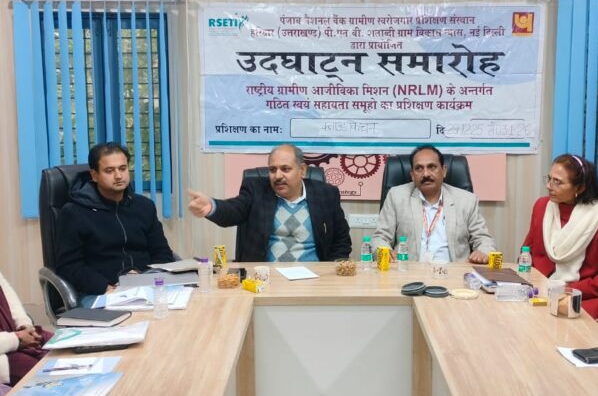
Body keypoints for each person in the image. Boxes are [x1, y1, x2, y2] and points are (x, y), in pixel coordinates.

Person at [56, 142, 175, 305]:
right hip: (100, 292)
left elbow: (162, 253)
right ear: (94, 175)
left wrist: (146, 278)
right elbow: (69, 266)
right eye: (109, 171)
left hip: (147, 286)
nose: (118, 176)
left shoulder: (144, 206)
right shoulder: (74, 212)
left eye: (123, 168)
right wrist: (105, 287)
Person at [188, 144, 352, 262]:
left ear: (302, 170)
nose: (277, 176)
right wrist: (212, 207)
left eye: (285, 169)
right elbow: (234, 210)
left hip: (313, 278)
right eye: (273, 170)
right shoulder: (256, 189)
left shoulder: (326, 194)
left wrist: (332, 271)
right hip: (266, 279)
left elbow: (342, 240)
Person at [373, 145, 495, 263]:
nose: (426, 174)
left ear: (444, 171)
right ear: (412, 175)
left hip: (453, 272)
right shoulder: (396, 196)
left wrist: (483, 251)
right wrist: (383, 250)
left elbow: (483, 238)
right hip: (408, 271)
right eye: (419, 168)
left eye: (432, 167)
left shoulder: (466, 200)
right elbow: (380, 237)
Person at [523, 154, 598, 319]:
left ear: (580, 188)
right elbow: (526, 251)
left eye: (557, 182)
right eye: (549, 179)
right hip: (540, 288)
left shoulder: (596, 217)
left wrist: (568, 289)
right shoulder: (541, 206)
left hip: (583, 295)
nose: (548, 186)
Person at [0, 271, 53, 388]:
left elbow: (5, 291)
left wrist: (24, 324)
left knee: (56, 344)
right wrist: (17, 339)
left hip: (13, 335)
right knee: (39, 370)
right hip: (4, 353)